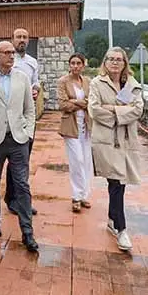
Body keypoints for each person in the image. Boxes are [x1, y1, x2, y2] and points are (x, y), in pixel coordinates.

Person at [0, 41, 38, 252]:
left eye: (13, 52)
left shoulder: (22, 78)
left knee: (22, 184)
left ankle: (27, 232)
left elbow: (30, 110)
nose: (12, 56)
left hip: (19, 140)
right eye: (7, 52)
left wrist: (28, 133)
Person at [88, 46, 144, 252]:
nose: (114, 62)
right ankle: (121, 229)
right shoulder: (96, 83)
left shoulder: (131, 84)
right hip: (105, 140)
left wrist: (111, 109)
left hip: (126, 141)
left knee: (119, 182)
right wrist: (121, 113)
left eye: (118, 59)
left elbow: (138, 109)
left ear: (124, 62)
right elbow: (94, 110)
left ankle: (113, 220)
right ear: (105, 62)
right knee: (116, 180)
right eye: (110, 59)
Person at [0, 28, 40, 216]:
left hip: (26, 119)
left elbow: (35, 82)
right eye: (18, 37)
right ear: (12, 39)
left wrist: (35, 89)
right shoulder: (3, 61)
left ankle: (19, 199)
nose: (21, 40)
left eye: (25, 37)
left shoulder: (32, 63)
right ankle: (12, 198)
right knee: (13, 162)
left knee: (23, 162)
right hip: (8, 120)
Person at [57, 53, 93, 213]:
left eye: (79, 63)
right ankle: (76, 197)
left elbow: (91, 102)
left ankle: (84, 195)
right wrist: (81, 103)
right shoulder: (63, 82)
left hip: (86, 126)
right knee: (76, 160)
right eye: (73, 63)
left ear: (83, 65)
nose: (75, 66)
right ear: (69, 65)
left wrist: (75, 102)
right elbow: (63, 104)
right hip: (70, 126)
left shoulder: (87, 82)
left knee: (86, 161)